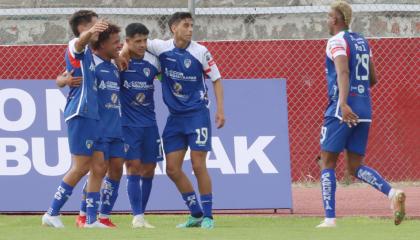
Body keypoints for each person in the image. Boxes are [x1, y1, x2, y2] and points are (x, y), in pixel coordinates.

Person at [317, 1, 406, 228]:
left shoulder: (336, 41)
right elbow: (373, 79)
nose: (327, 20)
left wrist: (344, 103)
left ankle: (329, 219)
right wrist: (357, 96)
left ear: (336, 19)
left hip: (342, 108)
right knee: (355, 167)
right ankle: (392, 192)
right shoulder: (362, 42)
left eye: (329, 16)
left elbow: (343, 70)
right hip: (365, 107)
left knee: (327, 162)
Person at [42, 10, 107, 228]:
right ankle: (51, 212)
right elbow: (79, 43)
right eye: (95, 25)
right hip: (80, 112)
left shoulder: (88, 54)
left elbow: (62, 77)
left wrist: (62, 80)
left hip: (93, 115)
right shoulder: (76, 45)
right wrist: (90, 32)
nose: (99, 29)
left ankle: (90, 219)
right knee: (80, 167)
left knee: (99, 167)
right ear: (83, 27)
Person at [120, 23, 163, 228]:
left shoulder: (154, 62)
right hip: (128, 124)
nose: (142, 45)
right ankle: (137, 215)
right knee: (133, 167)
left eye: (145, 40)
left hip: (150, 123)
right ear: (127, 41)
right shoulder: (120, 63)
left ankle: (142, 215)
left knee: (150, 169)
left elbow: (167, 79)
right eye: (137, 41)